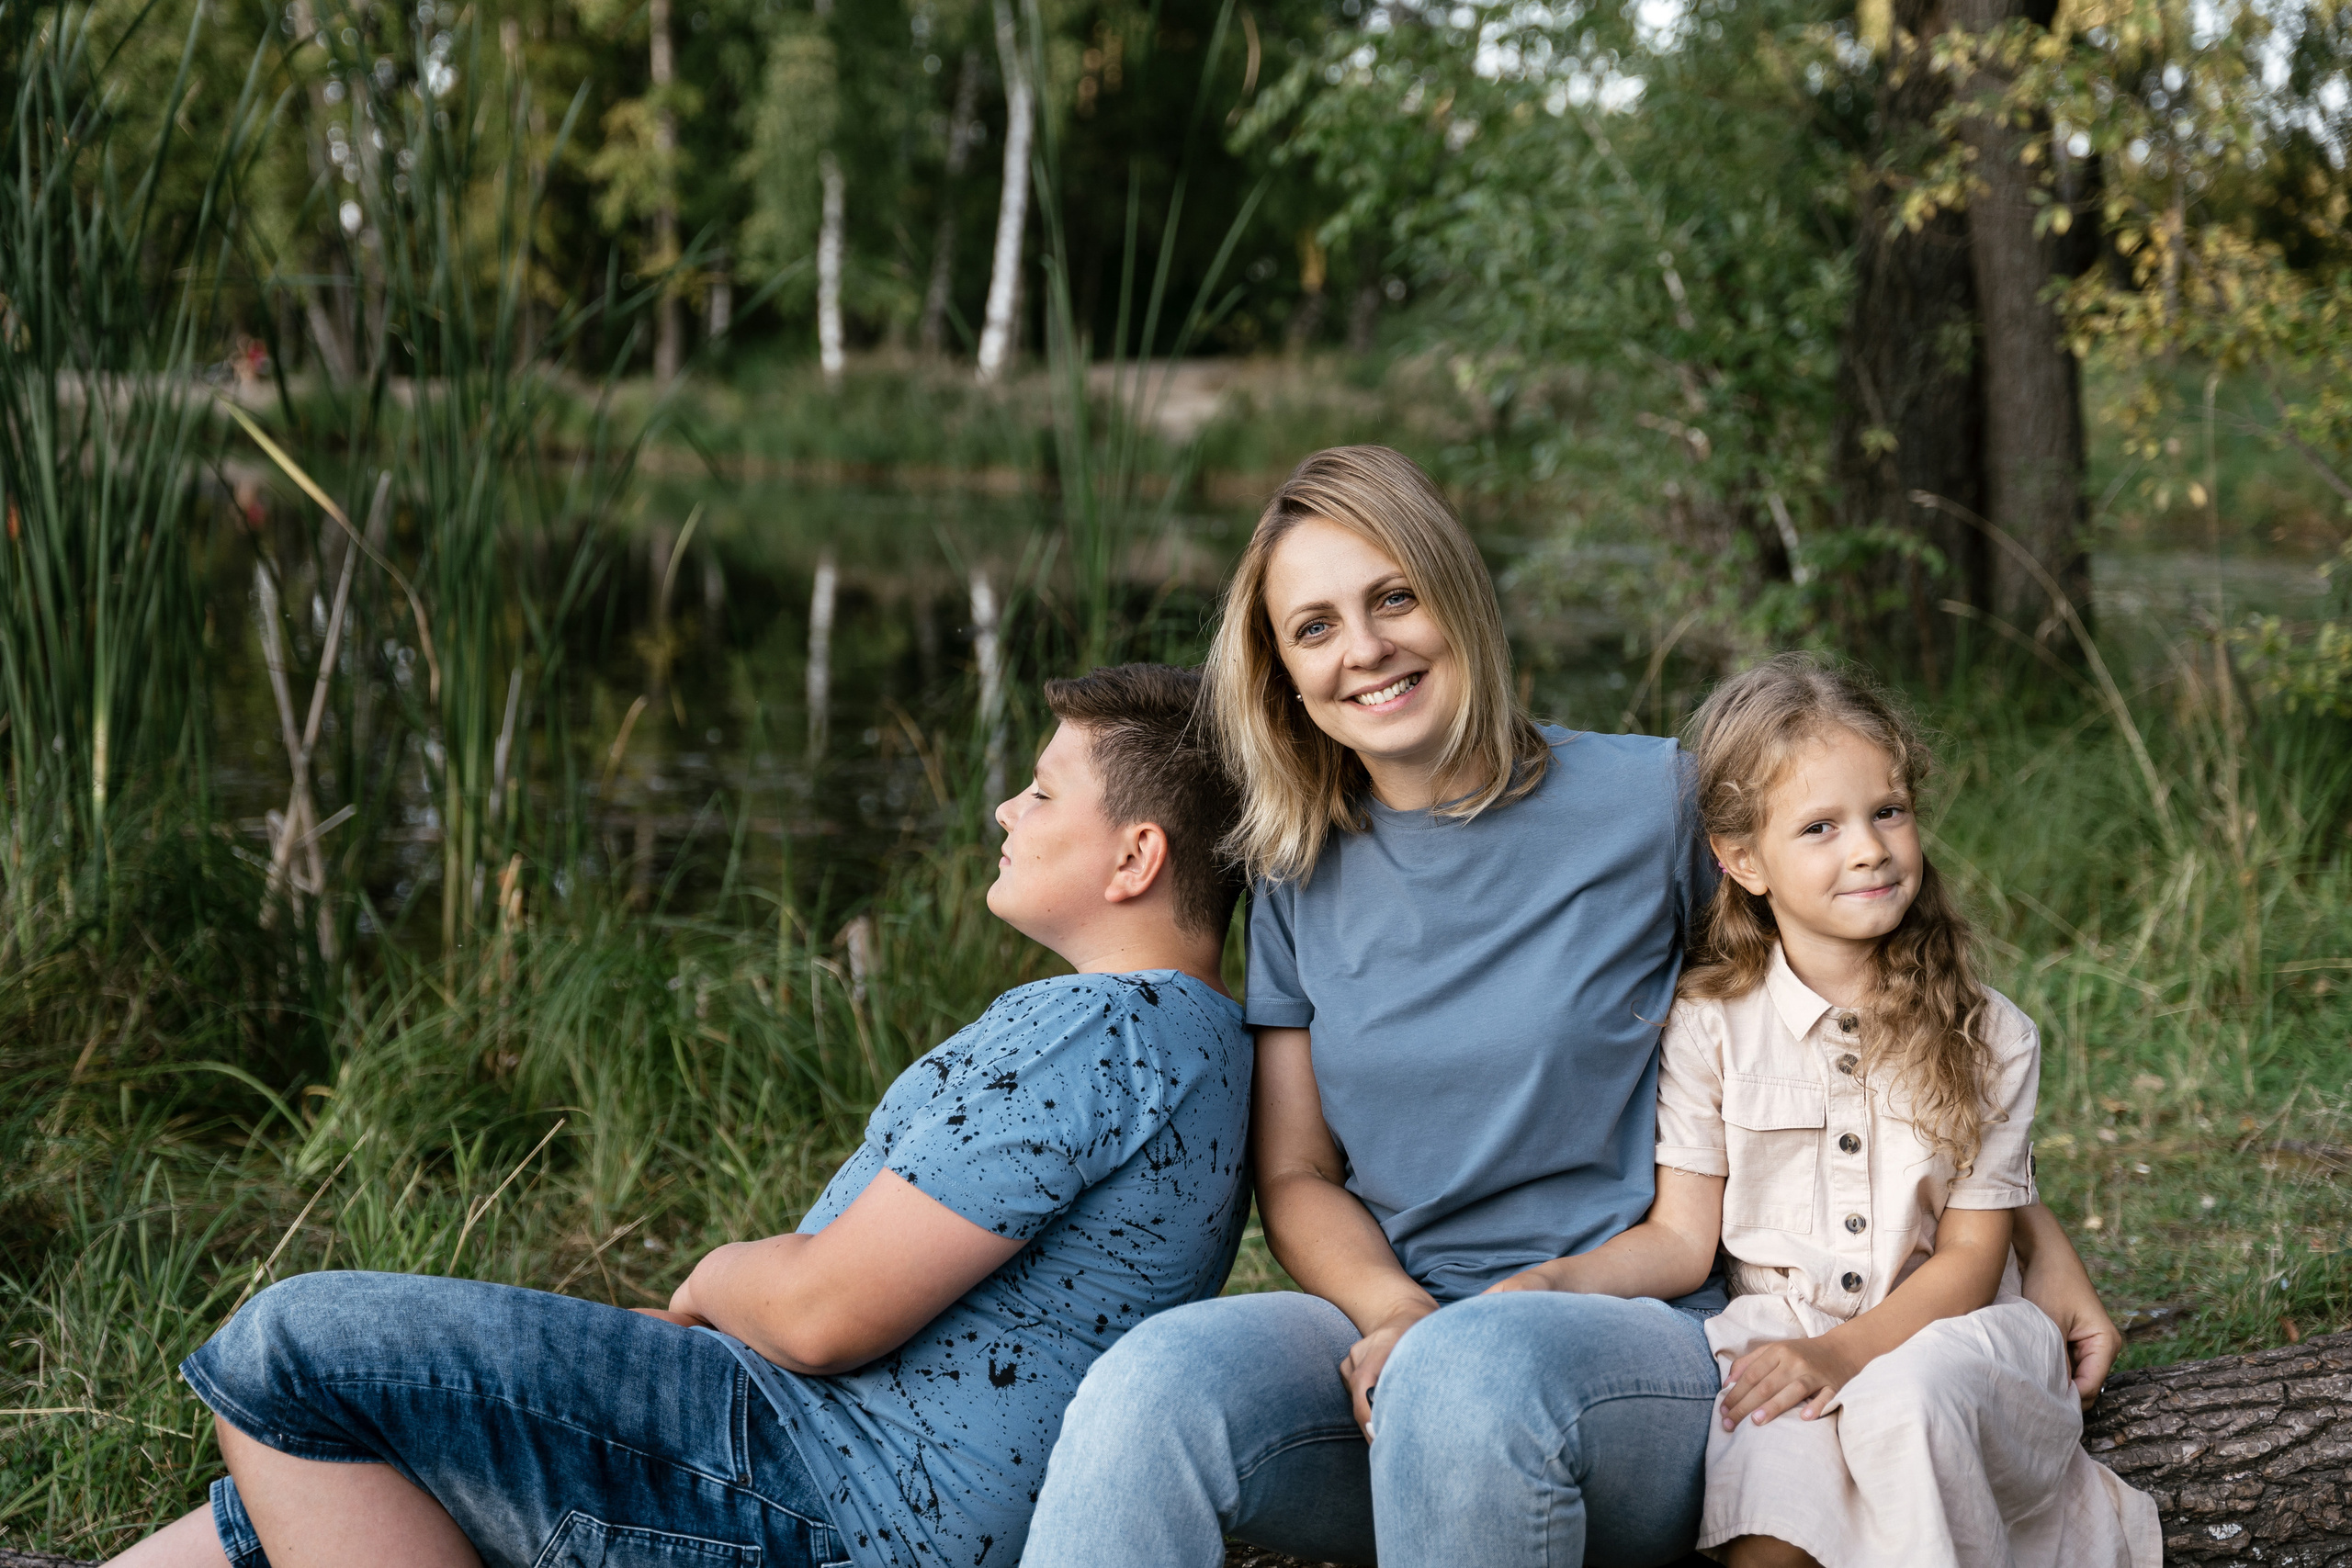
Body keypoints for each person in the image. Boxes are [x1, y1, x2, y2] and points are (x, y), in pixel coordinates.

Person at [1021, 446, 2129, 1568]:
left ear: (1457, 596)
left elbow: (1867, 1013)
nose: (1364, 649)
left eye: (1393, 597)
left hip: (1653, 1339)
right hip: (1408, 1331)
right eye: (1314, 628)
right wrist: (1396, 1310)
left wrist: (2034, 1241)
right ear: (1282, 677)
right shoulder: (1298, 871)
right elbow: (1299, 1175)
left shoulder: (1649, 802)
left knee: (1474, 1375)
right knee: (1150, 1385)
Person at [113, 663, 1253, 1568]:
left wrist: (708, 1281)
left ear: (1136, 857)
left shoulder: (1106, 1029)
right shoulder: (1195, 1038)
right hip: (829, 1467)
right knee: (317, 1491)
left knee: (297, 1350)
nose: (1007, 805)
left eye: (1044, 791)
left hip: (828, 1497)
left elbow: (821, 1314)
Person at [1483, 653, 2159, 1567]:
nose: (1868, 848)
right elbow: (1684, 1240)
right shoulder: (1708, 1024)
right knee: (1770, 1522)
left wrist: (1846, 1358)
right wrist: (1557, 1283)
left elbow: (1969, 1258)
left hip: (1952, 1338)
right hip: (1781, 1330)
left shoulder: (1991, 1033)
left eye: (1887, 812)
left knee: (1905, 1404)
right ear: (1742, 861)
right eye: (1819, 827)